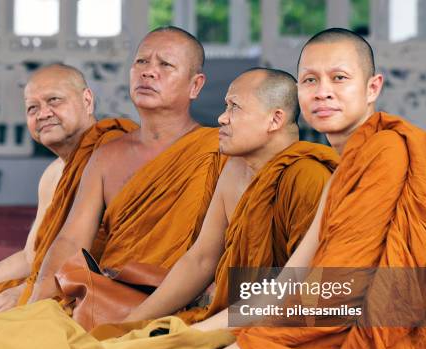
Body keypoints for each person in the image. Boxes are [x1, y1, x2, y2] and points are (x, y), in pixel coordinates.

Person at [177, 28, 426, 349]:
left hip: (410, 338)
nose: (322, 92)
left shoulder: (389, 151)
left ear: (372, 87)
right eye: (310, 80)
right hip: (356, 324)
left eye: (339, 78)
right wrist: (199, 334)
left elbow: (347, 281)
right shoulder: (345, 168)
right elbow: (293, 280)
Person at [0, 64, 137, 349]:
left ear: (87, 100)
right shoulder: (52, 175)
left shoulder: (118, 152)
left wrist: (27, 292)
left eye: (54, 101)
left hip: (100, 289)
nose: (42, 113)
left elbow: (116, 254)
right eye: (32, 108)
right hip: (49, 285)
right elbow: (31, 256)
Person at [24, 27, 223, 305]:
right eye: (141, 62)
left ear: (195, 85)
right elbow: (70, 241)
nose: (148, 72)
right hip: (109, 296)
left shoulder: (218, 151)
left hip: (183, 298)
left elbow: (234, 248)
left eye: (165, 64)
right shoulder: (107, 156)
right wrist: (36, 305)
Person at [123, 68, 338, 325]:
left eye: (234, 107)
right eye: (226, 106)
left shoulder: (307, 176)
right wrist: (131, 323)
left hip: (282, 327)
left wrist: (198, 335)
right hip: (227, 318)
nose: (222, 118)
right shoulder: (234, 168)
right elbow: (201, 259)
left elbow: (309, 292)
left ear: (275, 120)